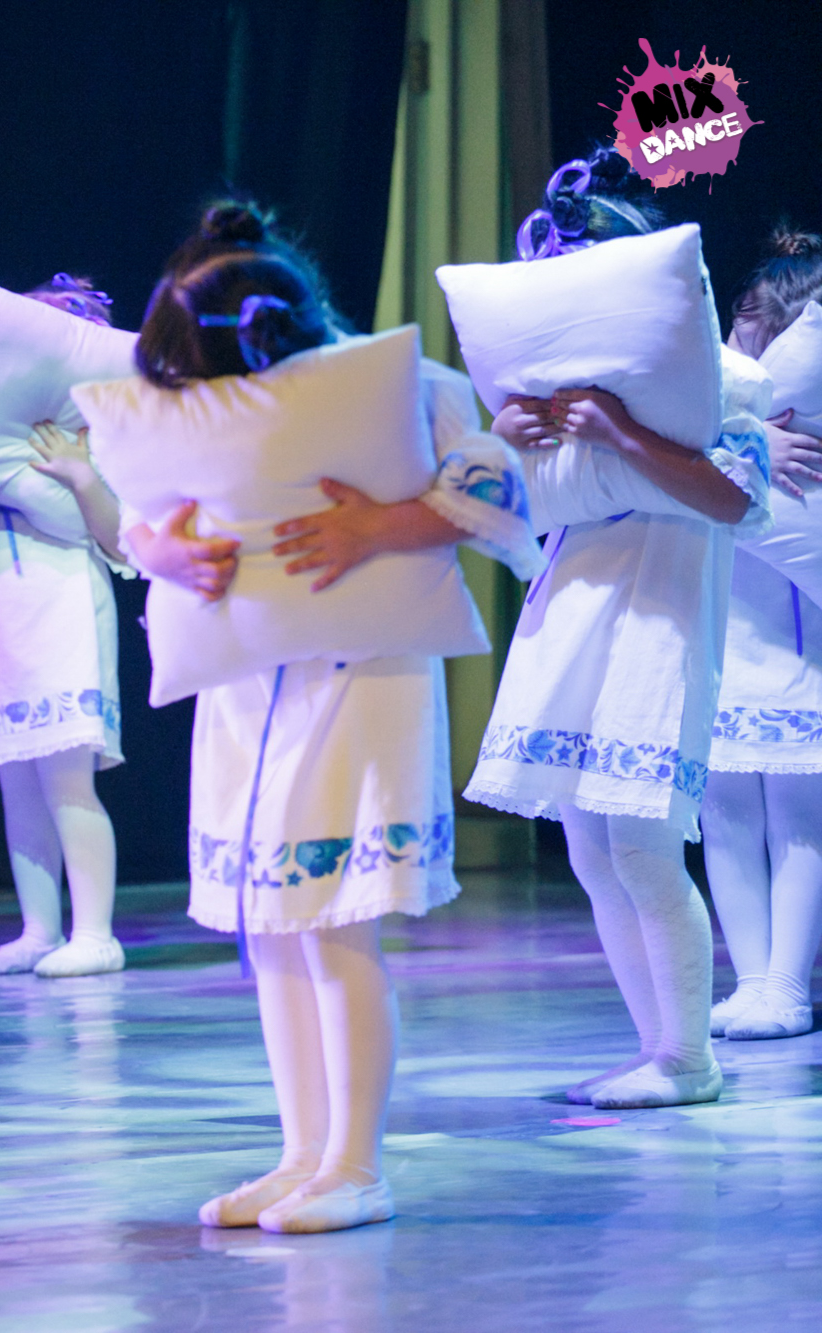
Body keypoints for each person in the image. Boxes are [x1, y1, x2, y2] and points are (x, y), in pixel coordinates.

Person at [130, 203, 541, 1233]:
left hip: (362, 678)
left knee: (336, 926)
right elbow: (139, 510)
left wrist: (381, 524)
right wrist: (164, 551)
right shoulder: (199, 410)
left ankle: (356, 1164)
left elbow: (497, 483)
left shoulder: (390, 389)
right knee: (269, 926)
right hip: (247, 686)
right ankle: (301, 1153)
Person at [464, 150, 771, 1108]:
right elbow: (494, 517)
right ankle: (658, 1048)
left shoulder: (718, 379)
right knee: (592, 851)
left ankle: (689, 1058)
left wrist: (619, 434)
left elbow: (736, 500)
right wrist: (504, 442)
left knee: (641, 842)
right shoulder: (539, 397)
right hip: (573, 607)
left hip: (660, 610)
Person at [0, 275, 130, 979]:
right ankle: (39, 928)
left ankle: (95, 931)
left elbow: (121, 540)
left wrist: (82, 476)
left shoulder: (101, 438)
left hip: (63, 602)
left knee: (67, 778)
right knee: (19, 783)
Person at [702, 226, 822, 1040]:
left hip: (791, 637)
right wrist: (746, 435)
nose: (742, 326)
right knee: (725, 810)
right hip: (720, 632)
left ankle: (787, 984)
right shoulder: (722, 406)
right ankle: (752, 980)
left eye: (756, 313)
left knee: (796, 807)